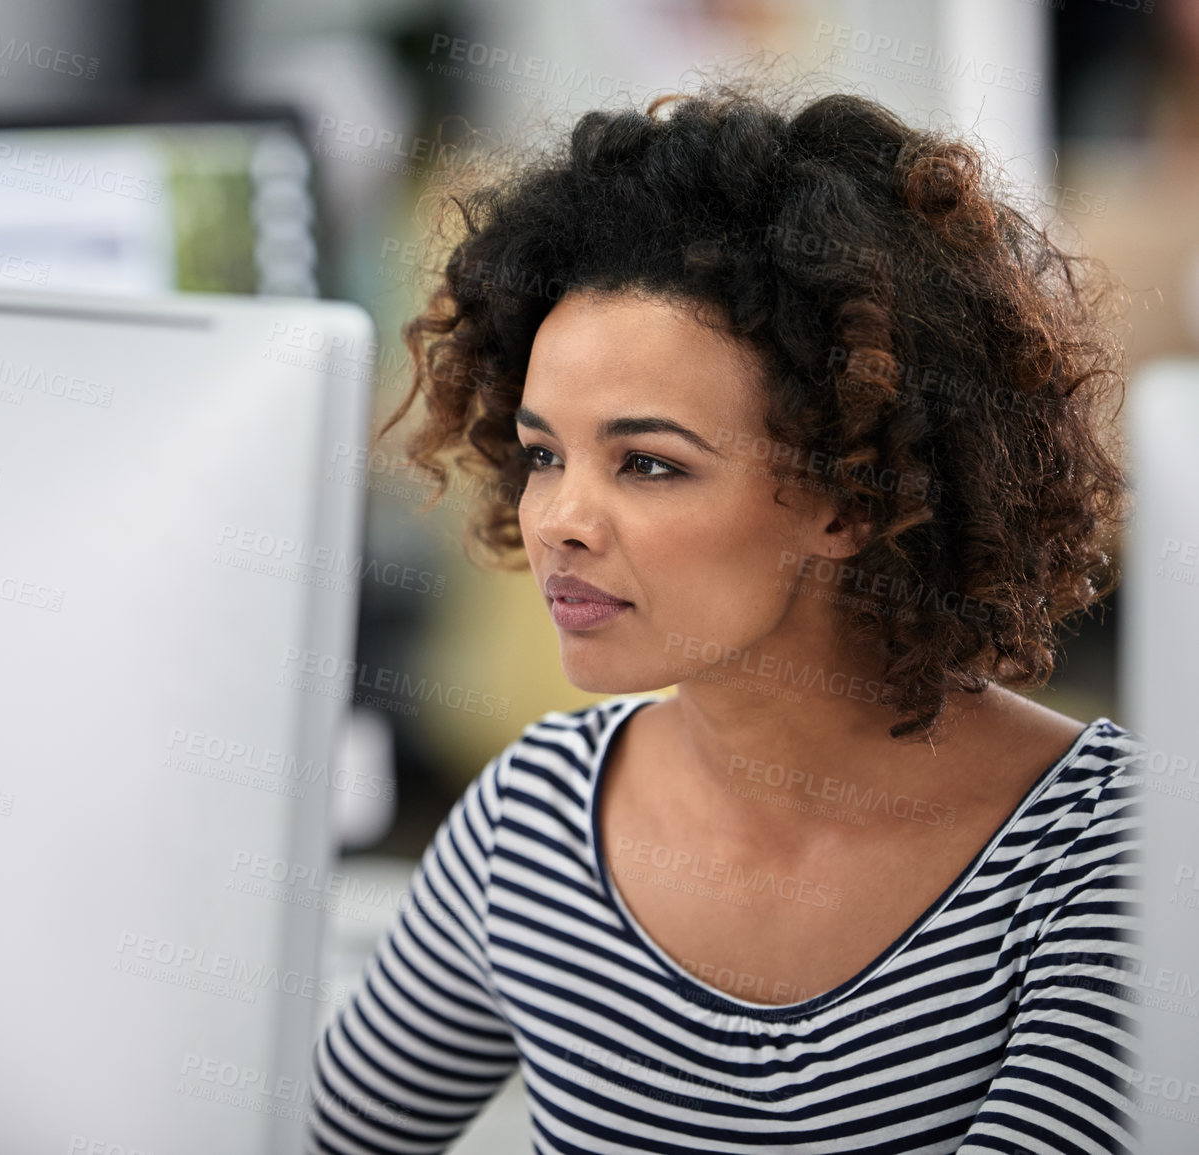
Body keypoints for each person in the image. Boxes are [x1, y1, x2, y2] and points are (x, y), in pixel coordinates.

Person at [309, 84, 1144, 1154]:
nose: (559, 520)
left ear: (854, 494)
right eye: (543, 454)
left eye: (648, 464)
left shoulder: (1110, 852)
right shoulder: (535, 820)